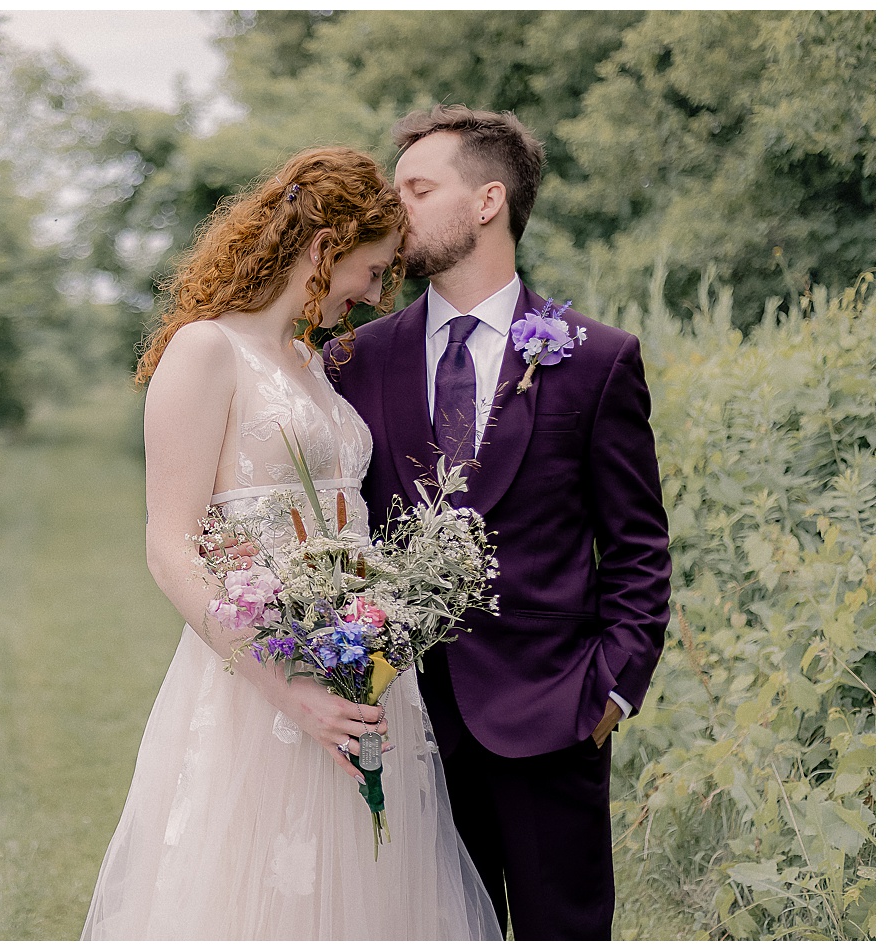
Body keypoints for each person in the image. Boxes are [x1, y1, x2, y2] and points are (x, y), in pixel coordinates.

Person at [82, 147, 500, 940]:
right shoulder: (206, 350)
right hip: (257, 683)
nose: (375, 297)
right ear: (324, 248)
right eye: (373, 272)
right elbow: (170, 547)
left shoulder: (312, 363)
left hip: (357, 664)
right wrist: (288, 687)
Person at [324, 106, 670, 939]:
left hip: (556, 716)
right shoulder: (355, 357)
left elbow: (637, 547)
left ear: (486, 201)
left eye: (416, 188)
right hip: (407, 724)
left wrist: (612, 689)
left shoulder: (596, 357)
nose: (390, 209)